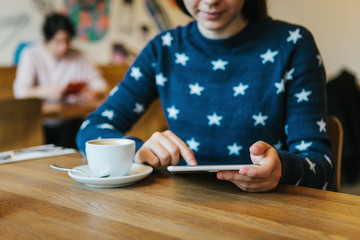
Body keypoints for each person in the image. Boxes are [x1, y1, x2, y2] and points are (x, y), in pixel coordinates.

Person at [76, 0, 333, 192]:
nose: (210, 1)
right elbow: (92, 128)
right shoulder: (163, 49)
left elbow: (320, 166)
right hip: (184, 212)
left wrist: (282, 169)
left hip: (272, 214)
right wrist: (137, 151)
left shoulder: (293, 44)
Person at [13, 12, 107, 102]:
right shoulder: (31, 54)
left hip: (74, 114)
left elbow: (101, 86)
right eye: (58, 41)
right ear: (47, 39)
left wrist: (94, 93)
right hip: (42, 116)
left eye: (67, 41)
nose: (64, 47)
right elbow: (20, 92)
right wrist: (45, 92)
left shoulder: (79, 56)